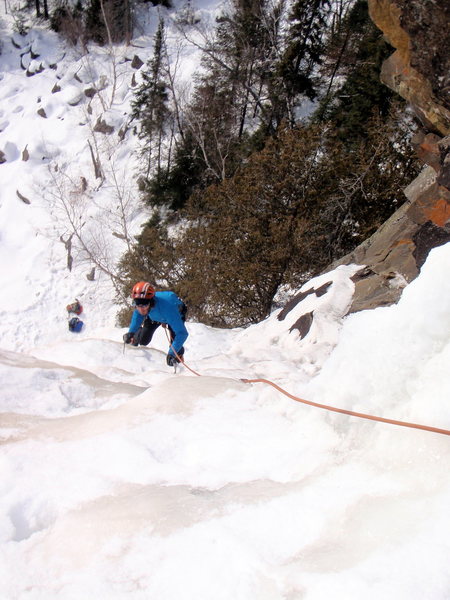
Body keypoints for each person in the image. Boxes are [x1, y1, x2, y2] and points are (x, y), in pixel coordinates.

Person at [123, 281, 188, 367]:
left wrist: (172, 353)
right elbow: (138, 317)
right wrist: (131, 332)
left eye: (144, 305)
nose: (141, 309)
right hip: (154, 316)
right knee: (143, 340)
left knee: (174, 347)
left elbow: (182, 333)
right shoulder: (142, 305)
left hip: (173, 314)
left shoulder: (169, 309)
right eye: (137, 305)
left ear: (151, 302)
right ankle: (137, 336)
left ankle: (178, 363)